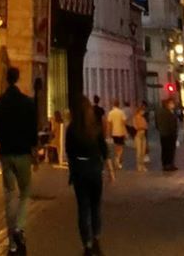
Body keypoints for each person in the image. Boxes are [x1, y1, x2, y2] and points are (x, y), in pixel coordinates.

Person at [0, 66, 38, 255]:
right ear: (17, 79)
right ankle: (19, 226)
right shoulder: (27, 103)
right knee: (25, 191)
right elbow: (32, 130)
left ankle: (11, 244)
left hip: (6, 153)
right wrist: (35, 154)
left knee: (9, 195)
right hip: (23, 154)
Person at [67, 93, 108, 255]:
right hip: (94, 169)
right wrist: (104, 165)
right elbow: (103, 149)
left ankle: (87, 244)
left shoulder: (72, 129)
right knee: (95, 206)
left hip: (79, 170)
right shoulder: (95, 127)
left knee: (83, 208)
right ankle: (97, 238)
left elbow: (69, 152)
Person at [157, 96, 179, 171]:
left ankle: (165, 164)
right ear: (168, 104)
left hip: (162, 134)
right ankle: (169, 164)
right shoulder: (169, 112)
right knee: (170, 150)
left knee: (164, 150)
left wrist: (160, 130)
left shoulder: (159, 112)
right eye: (172, 103)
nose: (173, 105)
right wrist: (174, 133)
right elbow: (172, 124)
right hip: (170, 134)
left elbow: (157, 124)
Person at [106, 99, 128, 173]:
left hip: (114, 132)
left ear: (113, 104)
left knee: (116, 146)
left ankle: (117, 160)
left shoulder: (110, 113)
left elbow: (109, 124)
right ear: (118, 104)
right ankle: (118, 160)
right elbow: (124, 122)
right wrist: (125, 132)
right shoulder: (121, 112)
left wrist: (108, 134)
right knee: (121, 147)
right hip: (121, 132)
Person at [132, 102, 149, 172]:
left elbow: (146, 126)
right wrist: (141, 126)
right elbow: (135, 127)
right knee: (139, 152)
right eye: (142, 111)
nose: (143, 112)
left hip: (143, 135)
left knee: (143, 151)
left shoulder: (143, 118)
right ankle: (139, 166)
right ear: (139, 111)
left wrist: (143, 126)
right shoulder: (135, 118)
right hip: (138, 135)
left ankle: (143, 165)